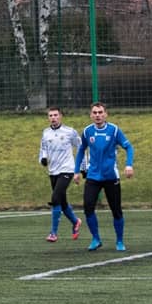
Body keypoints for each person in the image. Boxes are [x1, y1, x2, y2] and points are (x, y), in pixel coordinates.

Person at [73, 102, 134, 252]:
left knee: (116, 210)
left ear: (106, 114)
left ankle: (119, 241)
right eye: (95, 112)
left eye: (100, 112)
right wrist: (76, 171)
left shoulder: (114, 130)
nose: (98, 115)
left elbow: (129, 147)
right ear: (91, 115)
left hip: (111, 176)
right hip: (93, 176)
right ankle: (96, 239)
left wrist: (129, 165)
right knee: (88, 207)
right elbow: (81, 150)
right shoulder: (87, 131)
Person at [39, 107, 82, 243]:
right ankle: (75, 222)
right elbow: (43, 148)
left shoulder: (70, 132)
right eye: (50, 115)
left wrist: (82, 167)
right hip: (53, 171)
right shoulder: (46, 133)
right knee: (62, 203)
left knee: (55, 198)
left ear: (60, 116)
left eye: (55, 115)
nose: (53, 118)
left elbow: (80, 147)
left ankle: (53, 233)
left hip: (67, 169)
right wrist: (43, 158)